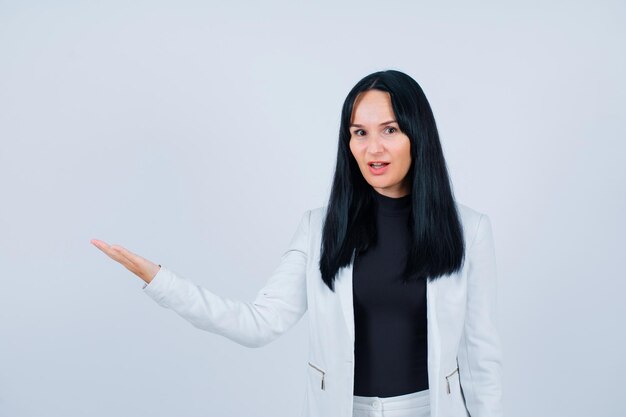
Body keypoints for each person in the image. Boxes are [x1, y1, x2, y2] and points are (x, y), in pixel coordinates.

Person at [92, 69, 503, 417]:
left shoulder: (469, 229)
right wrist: (160, 281)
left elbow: (480, 358)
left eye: (390, 130)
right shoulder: (319, 228)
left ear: (418, 135)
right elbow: (257, 324)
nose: (373, 148)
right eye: (359, 132)